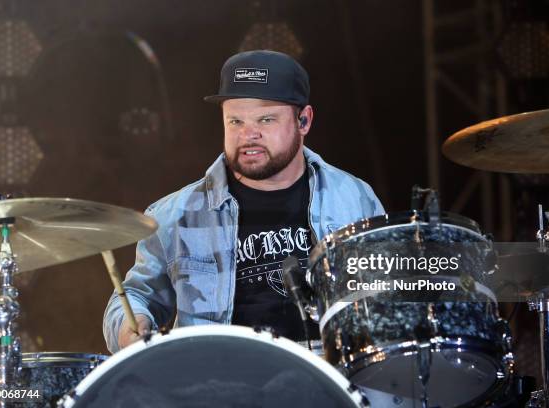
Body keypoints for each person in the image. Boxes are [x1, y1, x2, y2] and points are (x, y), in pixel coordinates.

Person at [103, 49, 384, 353]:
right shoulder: (174, 215)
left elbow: (393, 296)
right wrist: (131, 324)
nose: (249, 135)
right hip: (219, 382)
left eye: (266, 119)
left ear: (303, 121)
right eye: (235, 121)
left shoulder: (354, 199)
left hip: (329, 377)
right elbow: (134, 297)